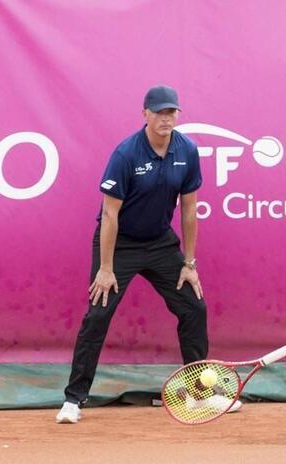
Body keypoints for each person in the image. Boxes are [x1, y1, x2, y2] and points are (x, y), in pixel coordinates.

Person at [56, 85, 239, 423]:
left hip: (160, 244)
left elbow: (189, 210)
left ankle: (199, 392)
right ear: (145, 114)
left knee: (193, 306)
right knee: (98, 314)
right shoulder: (126, 154)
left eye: (172, 112)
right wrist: (106, 268)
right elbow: (109, 215)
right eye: (160, 112)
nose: (166, 118)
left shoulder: (188, 151)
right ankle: (73, 400)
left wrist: (189, 263)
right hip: (119, 244)